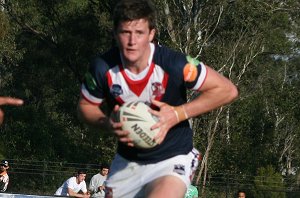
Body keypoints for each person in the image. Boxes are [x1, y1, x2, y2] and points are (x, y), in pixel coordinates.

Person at [77, 0, 238, 197]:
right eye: (125, 32)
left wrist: (178, 113)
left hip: (172, 157)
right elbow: (86, 107)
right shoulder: (101, 68)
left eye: (139, 33)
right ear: (115, 33)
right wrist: (108, 123)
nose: (132, 41)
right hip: (128, 162)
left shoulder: (174, 64)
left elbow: (227, 90)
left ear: (151, 34)